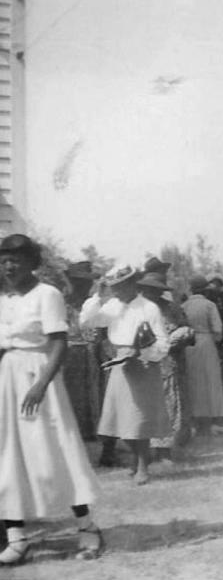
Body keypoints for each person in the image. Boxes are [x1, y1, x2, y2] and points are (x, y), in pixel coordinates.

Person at [0, 235, 103, 564]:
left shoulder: (48, 294)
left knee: (55, 450)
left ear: (33, 262)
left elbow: (59, 343)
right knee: (7, 456)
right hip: (7, 378)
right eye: (3, 259)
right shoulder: (3, 298)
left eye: (16, 259)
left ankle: (87, 529)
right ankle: (17, 537)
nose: (9, 265)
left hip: (39, 378)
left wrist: (42, 383)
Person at [81, 265, 171, 486]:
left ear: (132, 284)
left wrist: (143, 353)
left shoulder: (149, 308)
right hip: (119, 362)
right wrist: (98, 295)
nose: (117, 291)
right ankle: (137, 459)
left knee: (138, 417)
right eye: (113, 287)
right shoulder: (112, 306)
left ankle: (142, 465)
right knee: (120, 417)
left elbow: (162, 342)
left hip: (142, 361)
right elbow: (88, 322)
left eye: (120, 286)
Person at [139, 272, 195, 460]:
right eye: (148, 290)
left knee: (169, 407)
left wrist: (182, 336)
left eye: (156, 290)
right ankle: (144, 453)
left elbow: (188, 330)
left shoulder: (172, 309)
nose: (152, 293)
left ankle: (164, 451)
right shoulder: (137, 310)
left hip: (169, 364)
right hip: (145, 363)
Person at [61, 261, 104, 441]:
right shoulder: (64, 303)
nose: (83, 286)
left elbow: (102, 328)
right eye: (78, 282)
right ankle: (72, 430)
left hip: (91, 351)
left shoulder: (93, 304)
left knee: (92, 390)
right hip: (68, 352)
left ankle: (90, 430)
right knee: (71, 392)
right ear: (71, 281)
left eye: (86, 282)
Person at [182, 276, 223, 435]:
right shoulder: (209, 305)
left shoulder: (184, 306)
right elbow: (218, 329)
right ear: (205, 289)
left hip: (189, 343)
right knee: (212, 380)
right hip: (206, 342)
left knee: (192, 380)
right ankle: (214, 421)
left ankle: (194, 422)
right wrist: (215, 339)